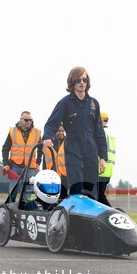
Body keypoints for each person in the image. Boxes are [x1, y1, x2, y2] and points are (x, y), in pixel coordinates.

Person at [42, 66, 107, 200]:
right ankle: (75, 215)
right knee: (77, 186)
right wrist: (48, 137)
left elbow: (99, 132)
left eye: (84, 79)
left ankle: (89, 217)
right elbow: (51, 123)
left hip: (91, 149)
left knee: (91, 188)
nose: (82, 83)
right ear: (72, 82)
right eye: (78, 80)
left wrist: (102, 157)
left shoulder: (94, 104)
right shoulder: (65, 102)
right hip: (73, 148)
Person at [96, 112, 116, 207]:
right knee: (100, 196)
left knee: (99, 196)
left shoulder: (101, 133)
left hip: (100, 169)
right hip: (108, 170)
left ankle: (111, 213)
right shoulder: (111, 134)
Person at [52, 124, 69, 200]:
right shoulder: (50, 142)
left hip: (65, 173)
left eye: (62, 131)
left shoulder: (68, 142)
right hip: (53, 174)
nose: (61, 133)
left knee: (64, 196)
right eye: (59, 131)